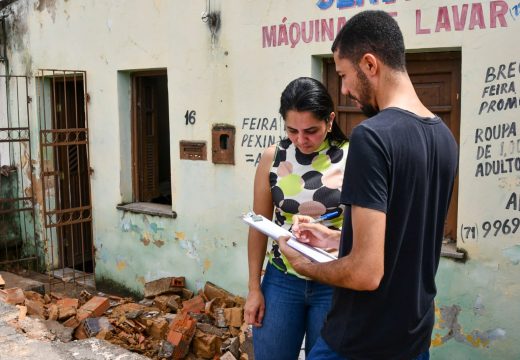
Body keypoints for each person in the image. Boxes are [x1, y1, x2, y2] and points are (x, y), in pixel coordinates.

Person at [278, 10, 458, 360]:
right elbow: (406, 236)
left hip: (359, 342)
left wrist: (305, 266)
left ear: (370, 65)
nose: (343, 89)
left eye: (344, 75)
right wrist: (334, 237)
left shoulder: (372, 137)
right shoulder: (445, 138)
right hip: (413, 339)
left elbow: (365, 273)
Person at [244, 77, 349, 360]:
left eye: (311, 131)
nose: (301, 140)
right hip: (281, 279)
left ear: (330, 120)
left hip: (333, 282)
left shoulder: (353, 157)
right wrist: (254, 288)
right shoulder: (273, 157)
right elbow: (258, 226)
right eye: (292, 130)